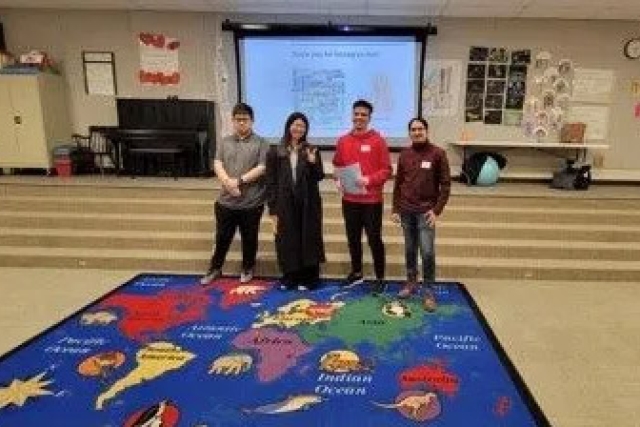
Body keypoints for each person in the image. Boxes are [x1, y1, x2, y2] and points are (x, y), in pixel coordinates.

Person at [200, 103, 269, 285]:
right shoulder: (225, 141)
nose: (241, 123)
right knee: (222, 237)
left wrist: (238, 181)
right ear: (232, 121)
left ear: (252, 121)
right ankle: (215, 268)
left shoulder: (262, 143)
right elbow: (217, 163)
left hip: (252, 202)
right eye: (237, 120)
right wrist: (228, 184)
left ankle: (247, 267)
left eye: (245, 119)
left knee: (249, 238)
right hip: (226, 202)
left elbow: (262, 168)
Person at [391, 117, 451, 311]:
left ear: (426, 130)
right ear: (409, 133)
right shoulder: (404, 155)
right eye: (413, 129)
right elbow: (398, 183)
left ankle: (429, 292)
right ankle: (411, 283)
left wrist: (436, 210)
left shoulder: (438, 154)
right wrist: (395, 208)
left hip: (426, 213)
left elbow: (446, 185)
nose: (417, 132)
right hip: (406, 211)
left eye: (420, 129)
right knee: (410, 250)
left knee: (427, 252)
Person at [332, 99, 392, 293]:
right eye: (356, 113)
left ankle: (380, 277)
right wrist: (338, 180)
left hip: (372, 201)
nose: (359, 117)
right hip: (349, 200)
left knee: (374, 239)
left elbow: (387, 170)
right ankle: (357, 273)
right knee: (353, 238)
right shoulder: (342, 140)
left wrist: (369, 180)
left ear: (369, 118)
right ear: (352, 115)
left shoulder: (378, 140)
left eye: (363, 115)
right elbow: (337, 165)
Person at [266, 112, 326, 291]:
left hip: (308, 202)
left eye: (302, 126)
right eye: (295, 124)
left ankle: (309, 279)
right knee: (287, 240)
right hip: (284, 203)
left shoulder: (311, 149)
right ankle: (290, 277)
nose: (298, 128)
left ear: (306, 129)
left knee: (309, 239)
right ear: (289, 126)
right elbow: (271, 181)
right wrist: (272, 206)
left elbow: (319, 176)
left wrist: (313, 162)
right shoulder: (276, 150)